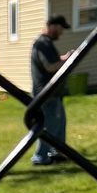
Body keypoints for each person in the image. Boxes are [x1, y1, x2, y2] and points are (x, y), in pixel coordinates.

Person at [31, 15, 73, 165]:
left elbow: (52, 61)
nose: (61, 33)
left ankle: (56, 153)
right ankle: (40, 157)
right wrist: (67, 61)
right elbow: (49, 66)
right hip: (46, 94)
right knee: (49, 126)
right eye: (61, 29)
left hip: (54, 93)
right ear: (53, 26)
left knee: (59, 124)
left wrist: (64, 57)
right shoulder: (43, 44)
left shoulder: (46, 43)